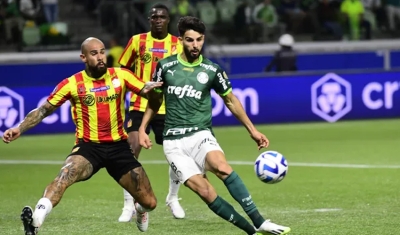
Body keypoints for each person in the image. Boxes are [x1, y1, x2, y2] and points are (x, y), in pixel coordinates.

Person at [139, 16, 291, 235]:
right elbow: (155, 102)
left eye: (199, 40)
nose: (195, 45)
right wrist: (143, 128)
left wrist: (253, 130)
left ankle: (260, 221)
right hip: (173, 141)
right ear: (181, 39)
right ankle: (252, 231)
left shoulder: (213, 70)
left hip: (201, 134)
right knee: (205, 191)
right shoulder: (165, 67)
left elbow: (231, 100)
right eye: (190, 40)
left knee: (221, 166)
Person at [2, 37, 161, 235]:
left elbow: (151, 95)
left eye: (102, 52)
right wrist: (20, 127)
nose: (100, 57)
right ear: (83, 57)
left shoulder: (121, 76)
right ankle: (36, 220)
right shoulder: (72, 83)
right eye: (94, 54)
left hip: (119, 147)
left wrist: (154, 92)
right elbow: (43, 110)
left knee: (150, 202)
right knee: (64, 176)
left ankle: (139, 210)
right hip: (88, 148)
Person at [117, 3, 184, 222]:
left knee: (176, 154)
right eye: (154, 17)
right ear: (149, 20)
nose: (158, 20)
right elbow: (122, 70)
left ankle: (173, 198)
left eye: (162, 17)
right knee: (130, 150)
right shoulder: (137, 41)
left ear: (168, 20)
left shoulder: (178, 44)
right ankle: (129, 204)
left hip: (168, 107)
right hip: (138, 105)